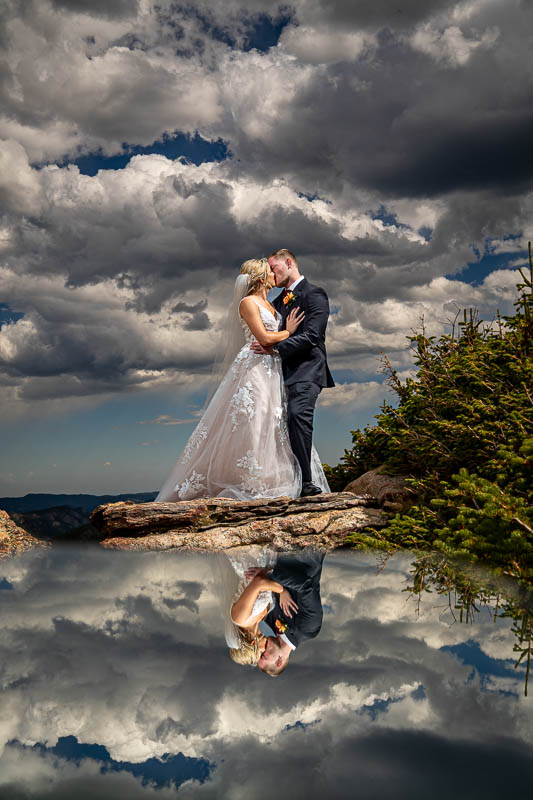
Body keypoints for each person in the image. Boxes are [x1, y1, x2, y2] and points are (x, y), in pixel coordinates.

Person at [155, 258, 330, 502]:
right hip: (256, 365)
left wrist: (279, 342)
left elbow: (291, 337)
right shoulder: (248, 303)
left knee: (274, 418)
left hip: (274, 367)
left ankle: (279, 477)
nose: (274, 274)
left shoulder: (273, 303)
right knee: (254, 417)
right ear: (260, 278)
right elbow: (265, 338)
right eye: (270, 271)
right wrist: (288, 332)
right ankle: (254, 479)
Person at [251, 249, 335, 497]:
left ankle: (306, 482)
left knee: (299, 417)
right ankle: (282, 480)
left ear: (289, 263)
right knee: (274, 425)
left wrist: (275, 349)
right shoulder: (276, 302)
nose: (271, 274)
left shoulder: (314, 294)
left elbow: (312, 337)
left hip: (307, 371)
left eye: (274, 268)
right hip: (276, 375)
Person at [258, 551, 325, 676]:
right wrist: (274, 580)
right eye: (264, 656)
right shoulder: (308, 629)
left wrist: (280, 591)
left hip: (279, 554)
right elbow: (307, 587)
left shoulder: (269, 621)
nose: (262, 650)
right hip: (306, 556)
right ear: (279, 661)